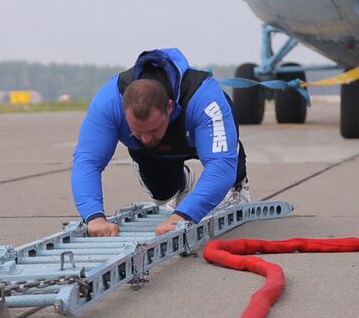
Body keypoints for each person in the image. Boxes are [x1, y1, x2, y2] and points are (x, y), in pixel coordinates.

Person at [71, 48, 250, 237]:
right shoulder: (108, 103)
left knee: (226, 164)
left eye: (152, 129)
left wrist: (182, 216)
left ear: (169, 107)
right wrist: (94, 217)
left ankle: (238, 182)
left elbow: (220, 165)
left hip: (198, 137)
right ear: (123, 111)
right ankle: (182, 180)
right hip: (153, 153)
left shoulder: (205, 99)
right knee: (162, 194)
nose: (147, 138)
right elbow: (87, 160)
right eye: (138, 130)